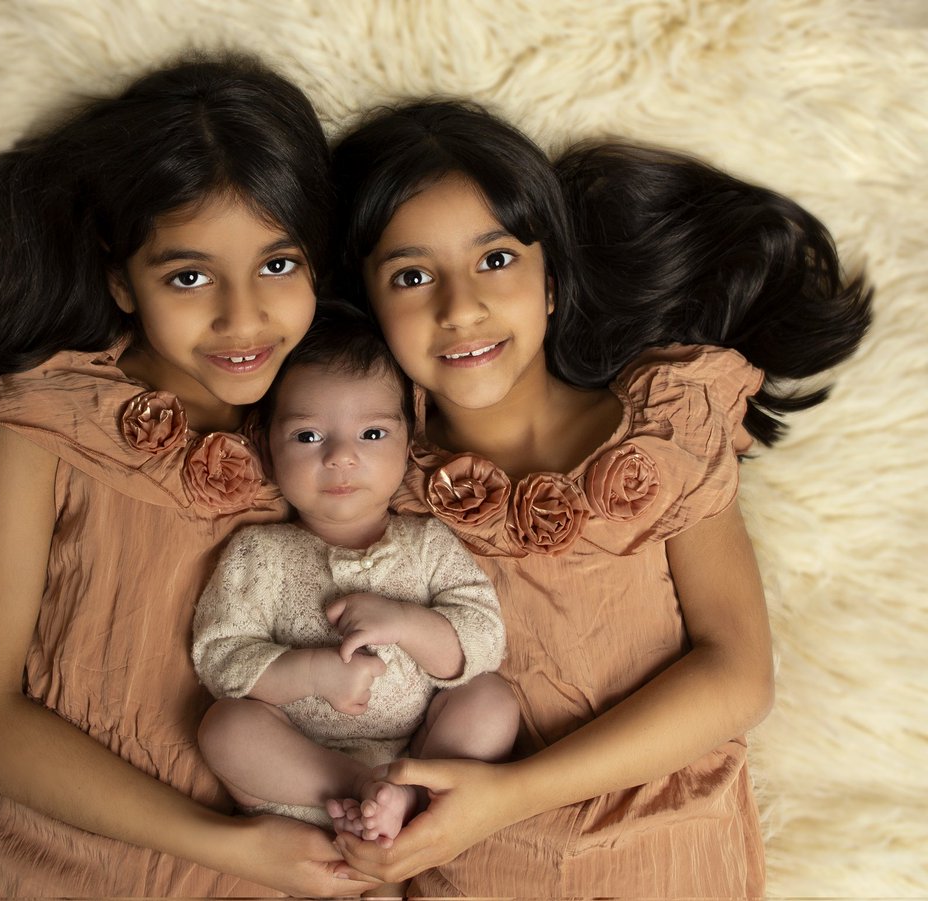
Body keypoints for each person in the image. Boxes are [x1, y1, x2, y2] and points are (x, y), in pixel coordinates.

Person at [0, 55, 384, 898]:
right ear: (120, 276)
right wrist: (230, 846)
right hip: (58, 866)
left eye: (278, 265)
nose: (243, 315)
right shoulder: (43, 425)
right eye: (189, 276)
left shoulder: (346, 430)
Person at [326, 100, 872, 897]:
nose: (460, 306)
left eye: (497, 260)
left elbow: (738, 674)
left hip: (672, 852)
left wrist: (512, 793)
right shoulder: (377, 483)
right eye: (412, 276)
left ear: (551, 282)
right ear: (371, 305)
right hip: (478, 868)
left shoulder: (660, 431)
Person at [192, 307, 519, 867]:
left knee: (492, 699)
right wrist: (312, 673)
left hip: (423, 756)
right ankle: (366, 790)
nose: (341, 456)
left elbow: (485, 639)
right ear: (266, 448)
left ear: (409, 441)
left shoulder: (428, 543)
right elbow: (221, 657)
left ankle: (402, 796)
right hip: (301, 779)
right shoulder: (259, 553)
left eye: (371, 433)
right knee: (224, 726)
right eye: (308, 434)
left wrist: (408, 623)